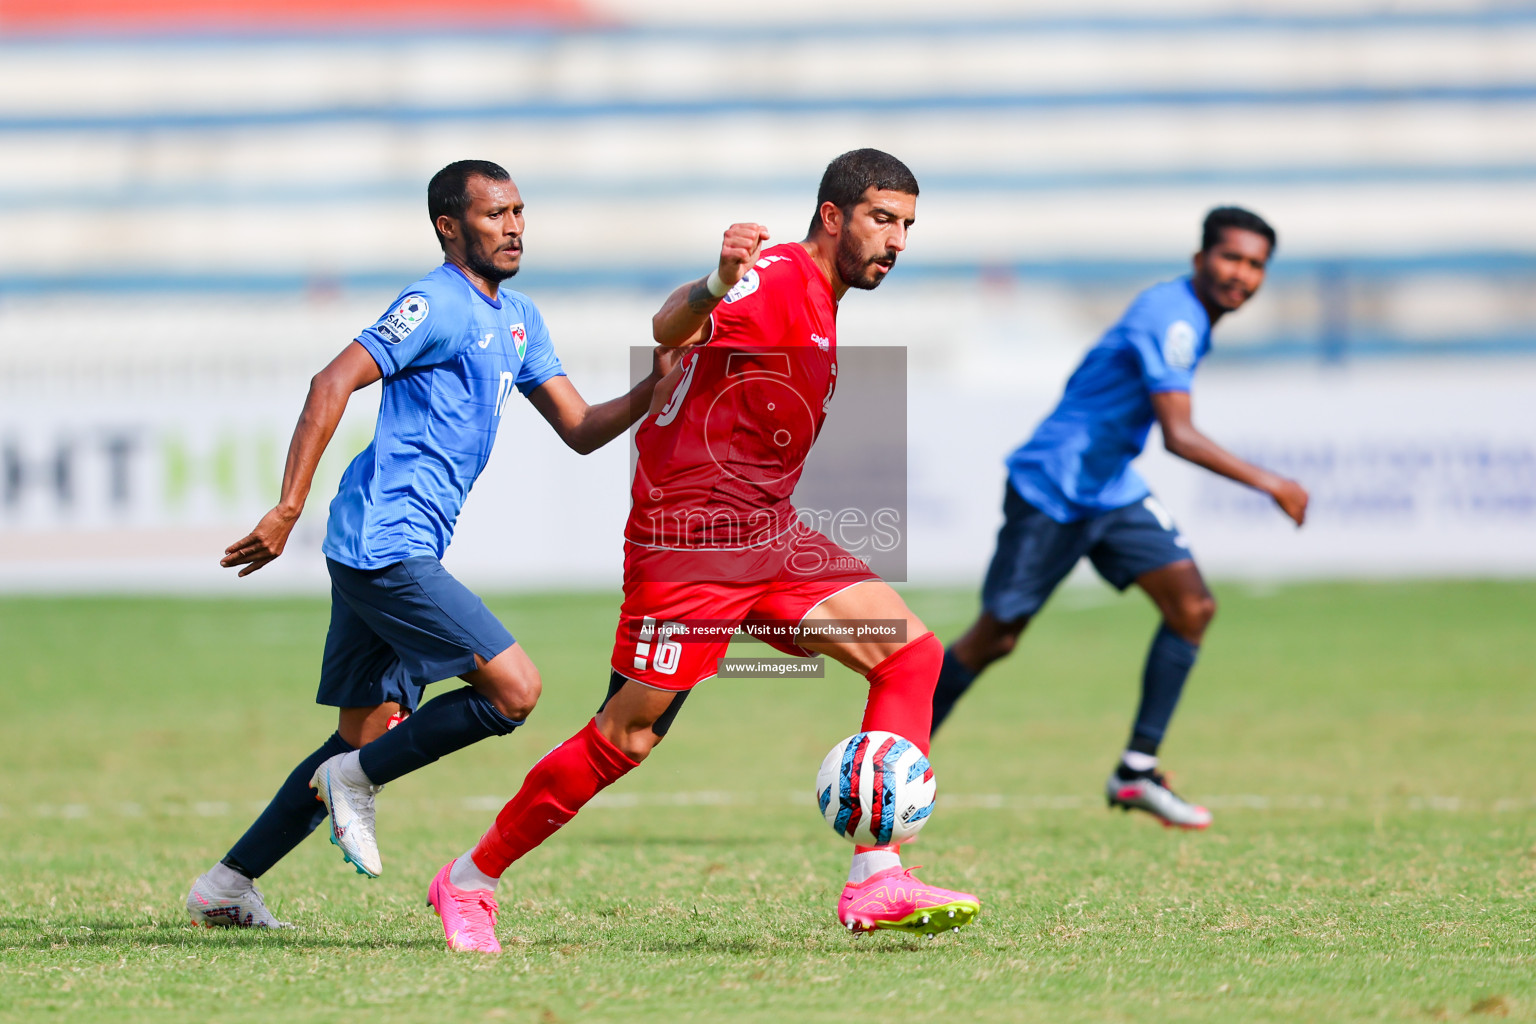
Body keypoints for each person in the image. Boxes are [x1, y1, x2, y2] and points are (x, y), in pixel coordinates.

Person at [420, 149, 981, 953]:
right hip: (691, 540)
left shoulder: (821, 297)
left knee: (910, 655)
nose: (896, 241)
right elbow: (669, 327)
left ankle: (877, 877)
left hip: (767, 530)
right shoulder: (781, 278)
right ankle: (469, 880)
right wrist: (716, 283)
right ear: (833, 216)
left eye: (906, 227)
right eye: (882, 220)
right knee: (627, 737)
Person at [186, 159, 677, 928]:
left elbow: (580, 430)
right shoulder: (434, 302)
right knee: (513, 691)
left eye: (519, 211)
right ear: (451, 226)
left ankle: (226, 885)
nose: (513, 226)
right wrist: (287, 506)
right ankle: (357, 780)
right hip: (386, 543)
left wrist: (655, 384)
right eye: (494, 214)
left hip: (378, 544)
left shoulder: (519, 318)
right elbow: (330, 381)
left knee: (361, 730)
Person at [930, 206, 1309, 830]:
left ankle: (1135, 772)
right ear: (1200, 260)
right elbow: (1179, 436)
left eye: (1255, 264)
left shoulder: (1193, 318)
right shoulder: (1172, 316)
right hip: (1055, 485)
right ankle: (892, 758)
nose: (1241, 273)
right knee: (993, 638)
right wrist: (1271, 483)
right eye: (1231, 257)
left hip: (1109, 487)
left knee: (1193, 607)